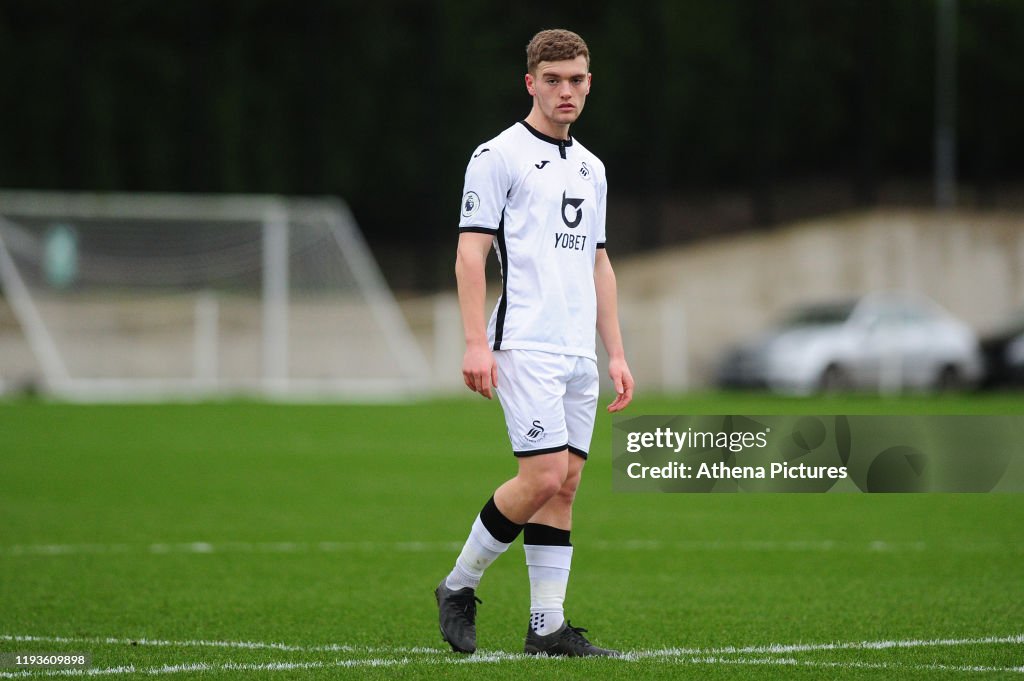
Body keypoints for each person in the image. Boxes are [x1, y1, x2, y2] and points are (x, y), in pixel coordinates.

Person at [435, 28, 634, 657]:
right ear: (531, 83)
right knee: (543, 474)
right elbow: (471, 256)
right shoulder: (497, 156)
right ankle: (458, 585)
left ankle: (547, 626)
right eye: (553, 80)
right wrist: (474, 343)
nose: (566, 90)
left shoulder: (591, 167)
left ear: (589, 83)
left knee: (566, 484)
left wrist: (617, 353)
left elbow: (600, 263)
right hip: (524, 343)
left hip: (578, 352)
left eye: (576, 79)